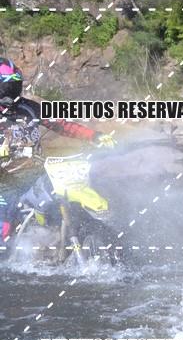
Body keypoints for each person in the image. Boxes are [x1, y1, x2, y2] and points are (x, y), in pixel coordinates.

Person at [0, 57, 116, 239]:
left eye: (15, 86)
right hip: (6, 183)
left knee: (69, 196)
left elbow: (63, 125)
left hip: (38, 176)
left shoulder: (29, 108)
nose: (12, 91)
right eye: (7, 87)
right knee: (5, 227)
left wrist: (94, 136)